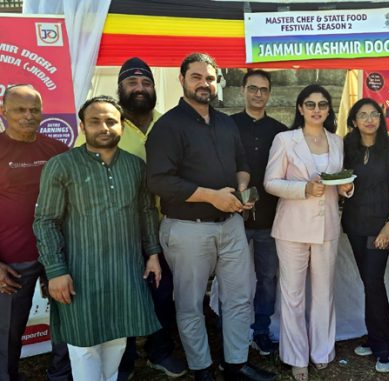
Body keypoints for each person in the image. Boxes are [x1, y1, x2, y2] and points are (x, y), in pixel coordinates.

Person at [146, 53, 274, 381]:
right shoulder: (168, 126)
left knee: (239, 297)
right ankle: (201, 369)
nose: (205, 83)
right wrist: (211, 196)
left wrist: (243, 190)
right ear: (182, 80)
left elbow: (242, 164)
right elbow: (159, 181)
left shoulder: (225, 122)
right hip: (189, 229)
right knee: (189, 305)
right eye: (197, 77)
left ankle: (235, 364)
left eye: (211, 78)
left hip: (231, 225)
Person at [33, 96, 162, 381]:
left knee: (118, 340)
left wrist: (152, 253)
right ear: (82, 126)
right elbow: (46, 222)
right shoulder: (61, 165)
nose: (103, 127)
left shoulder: (134, 167)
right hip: (80, 273)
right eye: (95, 121)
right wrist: (56, 271)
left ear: (122, 126)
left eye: (111, 121)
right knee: (84, 348)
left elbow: (145, 212)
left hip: (125, 271)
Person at [74, 57, 186, 380]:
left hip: (166, 226)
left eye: (146, 83)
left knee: (162, 293)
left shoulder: (169, 123)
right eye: (132, 83)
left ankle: (160, 351)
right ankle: (123, 361)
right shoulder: (106, 126)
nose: (139, 89)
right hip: (119, 231)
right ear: (120, 88)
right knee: (124, 295)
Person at [264, 84, 354, 381]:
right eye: (311, 104)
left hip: (327, 226)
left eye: (323, 105)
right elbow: (271, 183)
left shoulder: (337, 141)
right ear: (300, 108)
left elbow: (338, 182)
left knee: (324, 293)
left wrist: (346, 188)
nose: (317, 109)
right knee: (292, 295)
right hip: (292, 227)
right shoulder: (285, 140)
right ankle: (295, 356)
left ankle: (322, 351)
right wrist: (303, 188)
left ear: (329, 110)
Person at [0, 85, 72, 381]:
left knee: (66, 325)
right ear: (3, 112)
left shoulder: (57, 150)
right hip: (13, 261)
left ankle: (62, 375)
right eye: (20, 110)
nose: (28, 116)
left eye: (34, 110)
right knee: (7, 332)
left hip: (58, 255)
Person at [341, 98, 389, 373]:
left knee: (374, 281)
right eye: (362, 115)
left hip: (381, 226)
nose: (369, 119)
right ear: (354, 121)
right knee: (368, 281)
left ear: (380, 118)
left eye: (374, 114)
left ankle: (384, 347)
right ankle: (377, 335)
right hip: (354, 224)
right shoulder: (347, 147)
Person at [231, 69, 286, 356]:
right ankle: (234, 331)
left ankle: (261, 330)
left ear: (269, 93)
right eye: (253, 88)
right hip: (232, 218)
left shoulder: (280, 131)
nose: (258, 94)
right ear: (243, 89)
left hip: (269, 219)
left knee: (267, 278)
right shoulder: (226, 126)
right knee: (234, 279)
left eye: (264, 89)